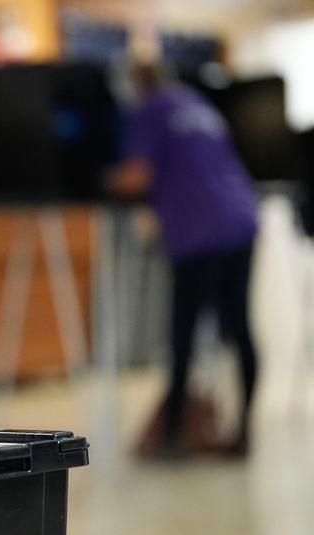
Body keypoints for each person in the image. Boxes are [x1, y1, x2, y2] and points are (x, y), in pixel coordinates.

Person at [112, 62, 259, 457]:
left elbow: (136, 176)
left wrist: (94, 179)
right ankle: (245, 428)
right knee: (239, 326)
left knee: (183, 332)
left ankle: (174, 432)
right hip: (241, 220)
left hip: (198, 230)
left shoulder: (150, 111)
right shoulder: (198, 104)